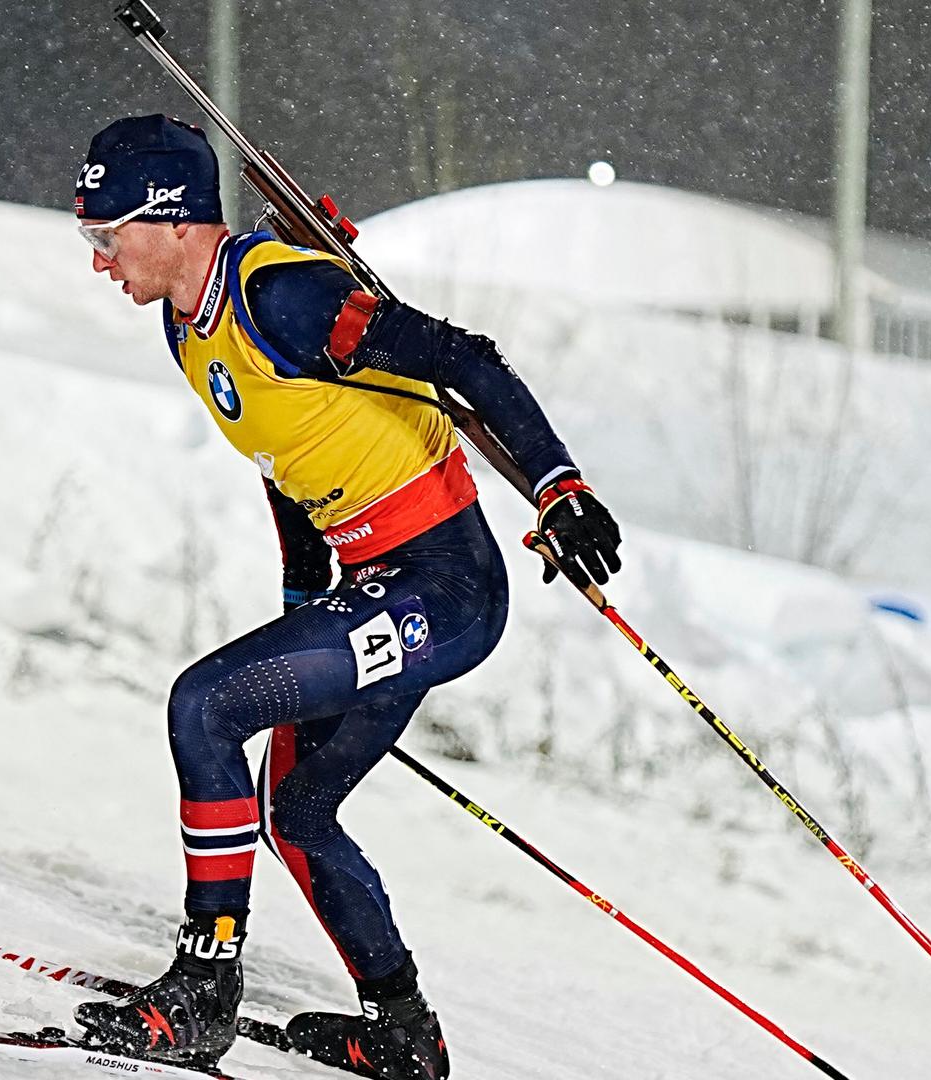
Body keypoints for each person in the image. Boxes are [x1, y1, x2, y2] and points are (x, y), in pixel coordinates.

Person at [66, 115, 622, 1078]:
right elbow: (287, 453)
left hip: (443, 590)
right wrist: (300, 593)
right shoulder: (186, 326)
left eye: (106, 234)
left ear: (172, 218)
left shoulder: (285, 294)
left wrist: (559, 488)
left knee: (205, 707)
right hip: (373, 585)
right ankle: (404, 1032)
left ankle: (204, 992)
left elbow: (466, 358)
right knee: (299, 811)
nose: (100, 259)